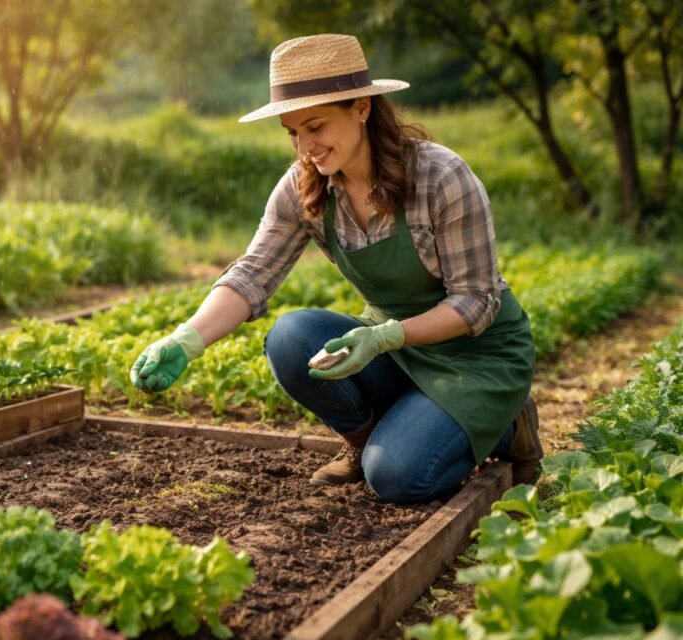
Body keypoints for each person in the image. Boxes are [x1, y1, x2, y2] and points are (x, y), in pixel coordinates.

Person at [129, 34, 543, 504]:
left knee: (397, 478)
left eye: (316, 126)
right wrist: (187, 338)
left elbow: (477, 302)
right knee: (291, 337)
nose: (305, 147)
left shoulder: (440, 177)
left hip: (477, 356)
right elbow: (252, 274)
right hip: (395, 348)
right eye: (292, 132)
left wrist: (386, 337)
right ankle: (371, 439)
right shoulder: (305, 188)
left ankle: (508, 428)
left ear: (362, 108)